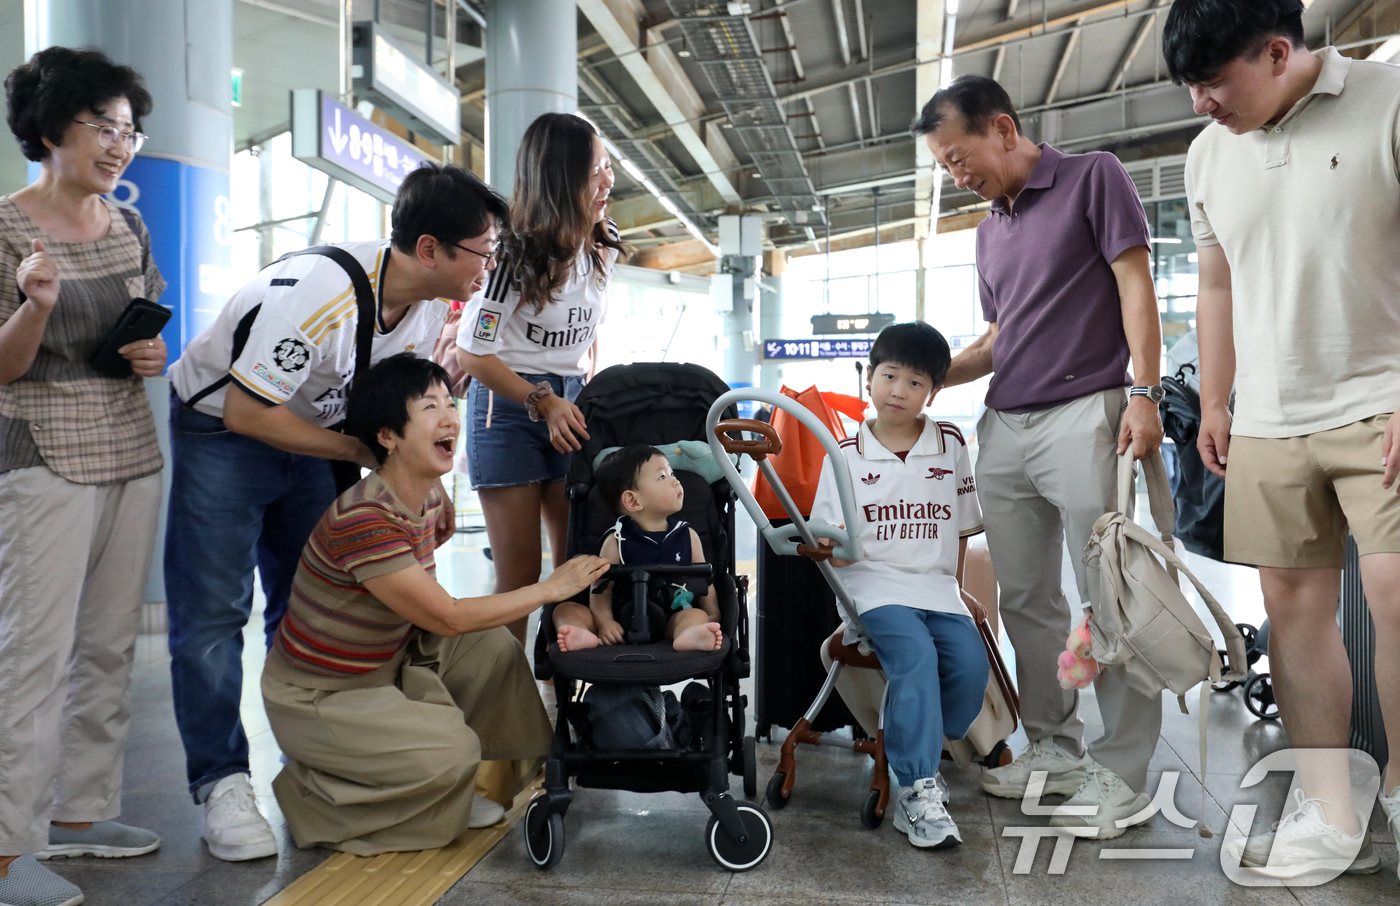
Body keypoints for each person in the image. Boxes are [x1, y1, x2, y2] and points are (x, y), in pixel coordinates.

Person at [163, 164, 507, 861]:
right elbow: (245, 410)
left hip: (315, 437)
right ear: (433, 249)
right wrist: (358, 451)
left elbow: (388, 408)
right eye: (483, 250)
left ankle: (331, 771)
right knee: (212, 613)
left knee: (312, 601)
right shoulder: (319, 293)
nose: (490, 266)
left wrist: (417, 473)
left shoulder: (433, 304)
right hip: (224, 433)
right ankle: (222, 782)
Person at [1165, 0, 1400, 880]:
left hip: (1382, 398)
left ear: (1276, 52)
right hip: (1268, 414)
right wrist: (1218, 397)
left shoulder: (1388, 102)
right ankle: (1331, 813)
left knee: (1395, 598)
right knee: (1294, 614)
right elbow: (1217, 285)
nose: (1200, 104)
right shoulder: (1207, 154)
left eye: (1213, 83)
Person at [914, 76, 1166, 837]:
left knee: (1109, 595)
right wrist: (917, 379)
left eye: (961, 157)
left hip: (1087, 411)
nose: (958, 175)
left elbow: (1135, 285)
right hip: (1006, 425)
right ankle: (1056, 747)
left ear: (1003, 126)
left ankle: (1122, 774)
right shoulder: (990, 228)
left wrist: (1146, 392)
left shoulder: (1095, 177)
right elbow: (999, 338)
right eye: (945, 166)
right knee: (1026, 599)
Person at [261, 353, 609, 855]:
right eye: (429, 406)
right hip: (323, 695)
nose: (449, 416)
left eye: (451, 402)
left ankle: (466, 783)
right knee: (451, 754)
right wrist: (551, 589)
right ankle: (316, 795)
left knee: (493, 647)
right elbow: (444, 616)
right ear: (387, 436)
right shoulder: (364, 517)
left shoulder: (423, 494)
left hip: (388, 662)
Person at [0, 47, 167, 906]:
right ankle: (4, 848)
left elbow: (148, 331)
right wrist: (33, 305)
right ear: (49, 128)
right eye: (103, 126)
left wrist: (148, 352)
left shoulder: (127, 226)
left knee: (107, 645)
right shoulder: (4, 227)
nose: (120, 144)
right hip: (41, 451)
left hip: (130, 447)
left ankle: (81, 814)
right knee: (34, 654)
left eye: (130, 130)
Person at [809, 322, 989, 850]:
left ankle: (918, 740)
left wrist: (958, 590)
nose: (899, 391)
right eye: (889, 376)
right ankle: (916, 792)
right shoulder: (843, 451)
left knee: (971, 668)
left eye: (915, 383)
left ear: (933, 392)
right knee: (914, 658)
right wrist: (826, 547)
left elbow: (960, 528)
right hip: (872, 586)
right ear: (869, 379)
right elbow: (829, 536)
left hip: (934, 587)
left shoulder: (950, 443)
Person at [455, 112, 621, 662]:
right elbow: (472, 352)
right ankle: (505, 703)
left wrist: (581, 389)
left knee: (573, 564)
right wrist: (539, 398)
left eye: (608, 169)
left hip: (569, 402)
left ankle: (559, 692)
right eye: (596, 171)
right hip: (507, 407)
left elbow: (591, 332)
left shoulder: (605, 245)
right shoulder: (512, 257)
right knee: (520, 580)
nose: (608, 182)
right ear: (560, 179)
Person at [553, 445, 722, 653]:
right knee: (565, 609)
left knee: (696, 616)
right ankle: (579, 632)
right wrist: (605, 622)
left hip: (671, 615)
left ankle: (691, 633)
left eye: (672, 473)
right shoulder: (616, 540)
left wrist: (712, 614)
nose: (676, 481)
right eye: (662, 477)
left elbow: (704, 581)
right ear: (632, 500)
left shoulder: (688, 536)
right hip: (621, 621)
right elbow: (600, 589)